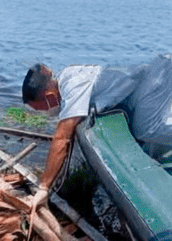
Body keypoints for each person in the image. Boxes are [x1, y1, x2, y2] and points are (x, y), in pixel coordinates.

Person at [22, 54, 172, 209]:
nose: (45, 113)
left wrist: (44, 187)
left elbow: (62, 137)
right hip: (141, 71)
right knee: (144, 116)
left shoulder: (73, 86)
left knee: (146, 129)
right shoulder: (64, 77)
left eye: (42, 109)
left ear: (49, 96)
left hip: (155, 68)